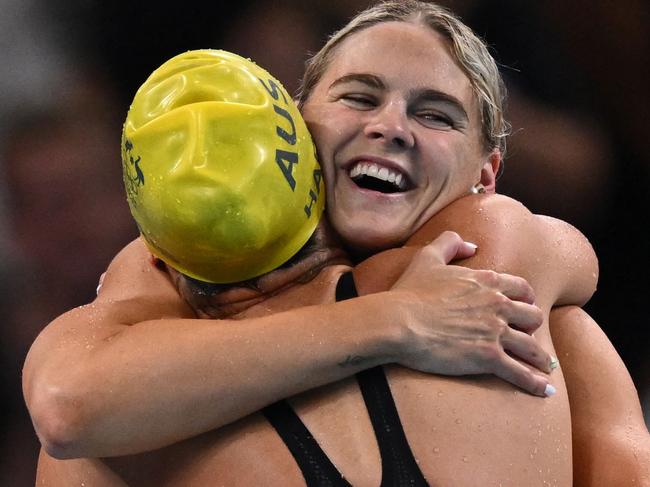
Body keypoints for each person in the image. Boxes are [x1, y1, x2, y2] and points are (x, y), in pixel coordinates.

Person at [23, 2, 648, 485]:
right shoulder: (161, 279)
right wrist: (393, 321)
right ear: (292, 126)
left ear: (486, 172)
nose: (390, 127)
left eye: (434, 115)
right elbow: (69, 407)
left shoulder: (502, 254)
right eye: (359, 97)